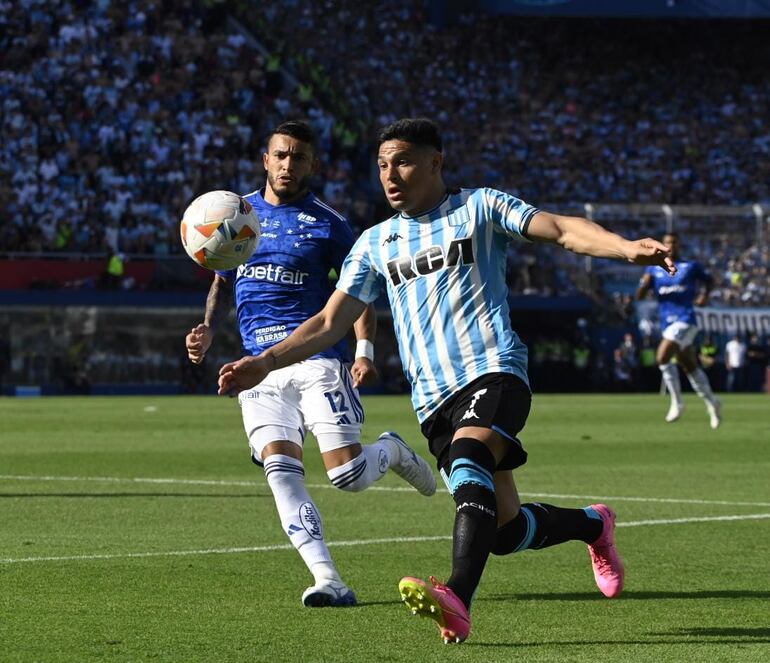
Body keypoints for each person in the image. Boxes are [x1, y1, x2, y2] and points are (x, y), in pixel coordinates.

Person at [216, 118, 676, 644]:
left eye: (404, 161)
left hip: (494, 370)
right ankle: (595, 526)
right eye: (384, 164)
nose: (391, 175)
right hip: (433, 399)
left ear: (436, 162)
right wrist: (265, 362)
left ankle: (456, 597)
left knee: (469, 461)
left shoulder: (480, 207)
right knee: (503, 532)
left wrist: (625, 248)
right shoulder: (375, 242)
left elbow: (563, 230)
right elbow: (327, 323)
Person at [185, 120, 436, 609]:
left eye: (298, 157)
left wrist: (364, 351)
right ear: (265, 159)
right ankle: (329, 579)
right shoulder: (235, 214)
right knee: (281, 470)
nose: (287, 164)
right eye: (280, 155)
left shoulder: (329, 223)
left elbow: (359, 294)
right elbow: (219, 276)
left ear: (312, 165)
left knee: (347, 476)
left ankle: (390, 451)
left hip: (318, 358)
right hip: (258, 366)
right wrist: (209, 327)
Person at [636, 233, 722, 428]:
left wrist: (704, 296)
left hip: (686, 321)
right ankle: (712, 403)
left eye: (674, 243)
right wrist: (644, 280)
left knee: (662, 356)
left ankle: (677, 402)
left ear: (679, 245)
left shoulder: (689, 267)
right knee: (689, 366)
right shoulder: (654, 269)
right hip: (667, 324)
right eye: (667, 242)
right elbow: (639, 296)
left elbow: (710, 280)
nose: (670, 246)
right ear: (661, 245)